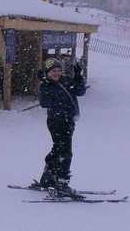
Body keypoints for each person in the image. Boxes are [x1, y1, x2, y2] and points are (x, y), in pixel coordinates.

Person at [33, 57, 86, 199]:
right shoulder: (46, 85)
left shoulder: (67, 80)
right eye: (53, 71)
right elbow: (44, 103)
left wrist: (79, 76)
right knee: (66, 152)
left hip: (69, 121)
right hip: (56, 122)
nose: (56, 74)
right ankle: (61, 183)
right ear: (47, 73)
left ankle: (48, 177)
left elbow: (80, 92)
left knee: (58, 149)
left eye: (58, 70)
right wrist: (46, 83)